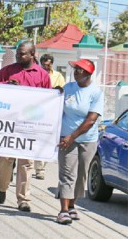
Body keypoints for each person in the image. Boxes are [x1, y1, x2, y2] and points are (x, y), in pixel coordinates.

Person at [0, 40, 51, 212]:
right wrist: (6, 86)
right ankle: (2, 188)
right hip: (9, 123)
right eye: (18, 53)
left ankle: (23, 199)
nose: (18, 56)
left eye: (22, 53)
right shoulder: (8, 71)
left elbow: (48, 99)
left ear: (33, 54)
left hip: (29, 125)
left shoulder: (42, 75)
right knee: (5, 159)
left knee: (26, 163)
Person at [56, 59, 103, 225]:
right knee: (67, 174)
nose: (75, 72)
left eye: (79, 70)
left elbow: (91, 120)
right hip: (66, 139)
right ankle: (63, 210)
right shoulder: (68, 88)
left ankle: (71, 205)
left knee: (81, 175)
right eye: (75, 69)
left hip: (87, 140)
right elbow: (53, 102)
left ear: (88, 74)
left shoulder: (96, 93)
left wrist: (73, 136)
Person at [34, 54, 66, 180]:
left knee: (48, 138)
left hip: (52, 111)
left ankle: (42, 167)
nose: (46, 67)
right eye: (44, 65)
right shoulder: (38, 74)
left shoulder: (58, 76)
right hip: (38, 110)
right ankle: (36, 166)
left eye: (49, 65)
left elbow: (62, 90)